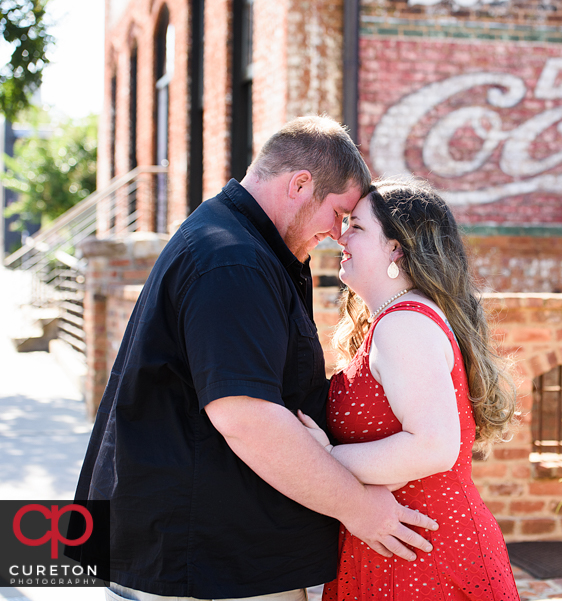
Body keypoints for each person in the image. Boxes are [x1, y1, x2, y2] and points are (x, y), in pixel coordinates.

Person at [67, 116, 438, 601]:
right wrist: (361, 509)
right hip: (204, 560)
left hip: (214, 551)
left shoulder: (238, 243)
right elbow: (247, 419)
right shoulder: (232, 261)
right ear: (300, 185)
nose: (338, 232)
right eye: (339, 213)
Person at [297, 177, 521, 600]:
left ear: (396, 249)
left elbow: (433, 447)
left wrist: (325, 458)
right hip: (399, 542)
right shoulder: (396, 319)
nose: (341, 236)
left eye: (358, 227)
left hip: (423, 554)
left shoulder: (404, 324)